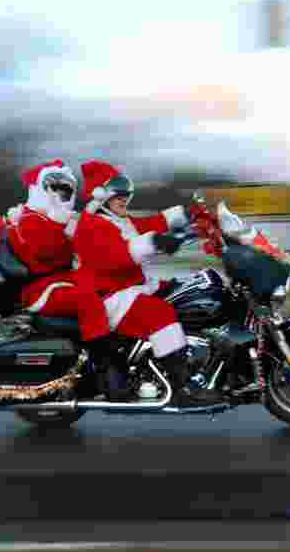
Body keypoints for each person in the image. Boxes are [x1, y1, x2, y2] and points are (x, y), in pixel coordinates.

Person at [69, 160, 220, 408]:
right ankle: (182, 387)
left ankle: (196, 352)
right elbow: (118, 256)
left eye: (126, 194)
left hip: (134, 286)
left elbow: (150, 225)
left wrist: (187, 214)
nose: (124, 199)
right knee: (160, 313)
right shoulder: (91, 225)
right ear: (101, 197)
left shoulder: (119, 220)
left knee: (190, 287)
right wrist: (158, 242)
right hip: (110, 297)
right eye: (118, 194)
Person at [3, 159, 124, 397]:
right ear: (40, 189)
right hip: (40, 286)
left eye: (65, 188)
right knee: (87, 300)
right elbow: (48, 252)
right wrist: (62, 226)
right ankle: (107, 366)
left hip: (63, 278)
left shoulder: (57, 217)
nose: (60, 193)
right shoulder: (29, 219)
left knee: (112, 285)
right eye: (54, 187)